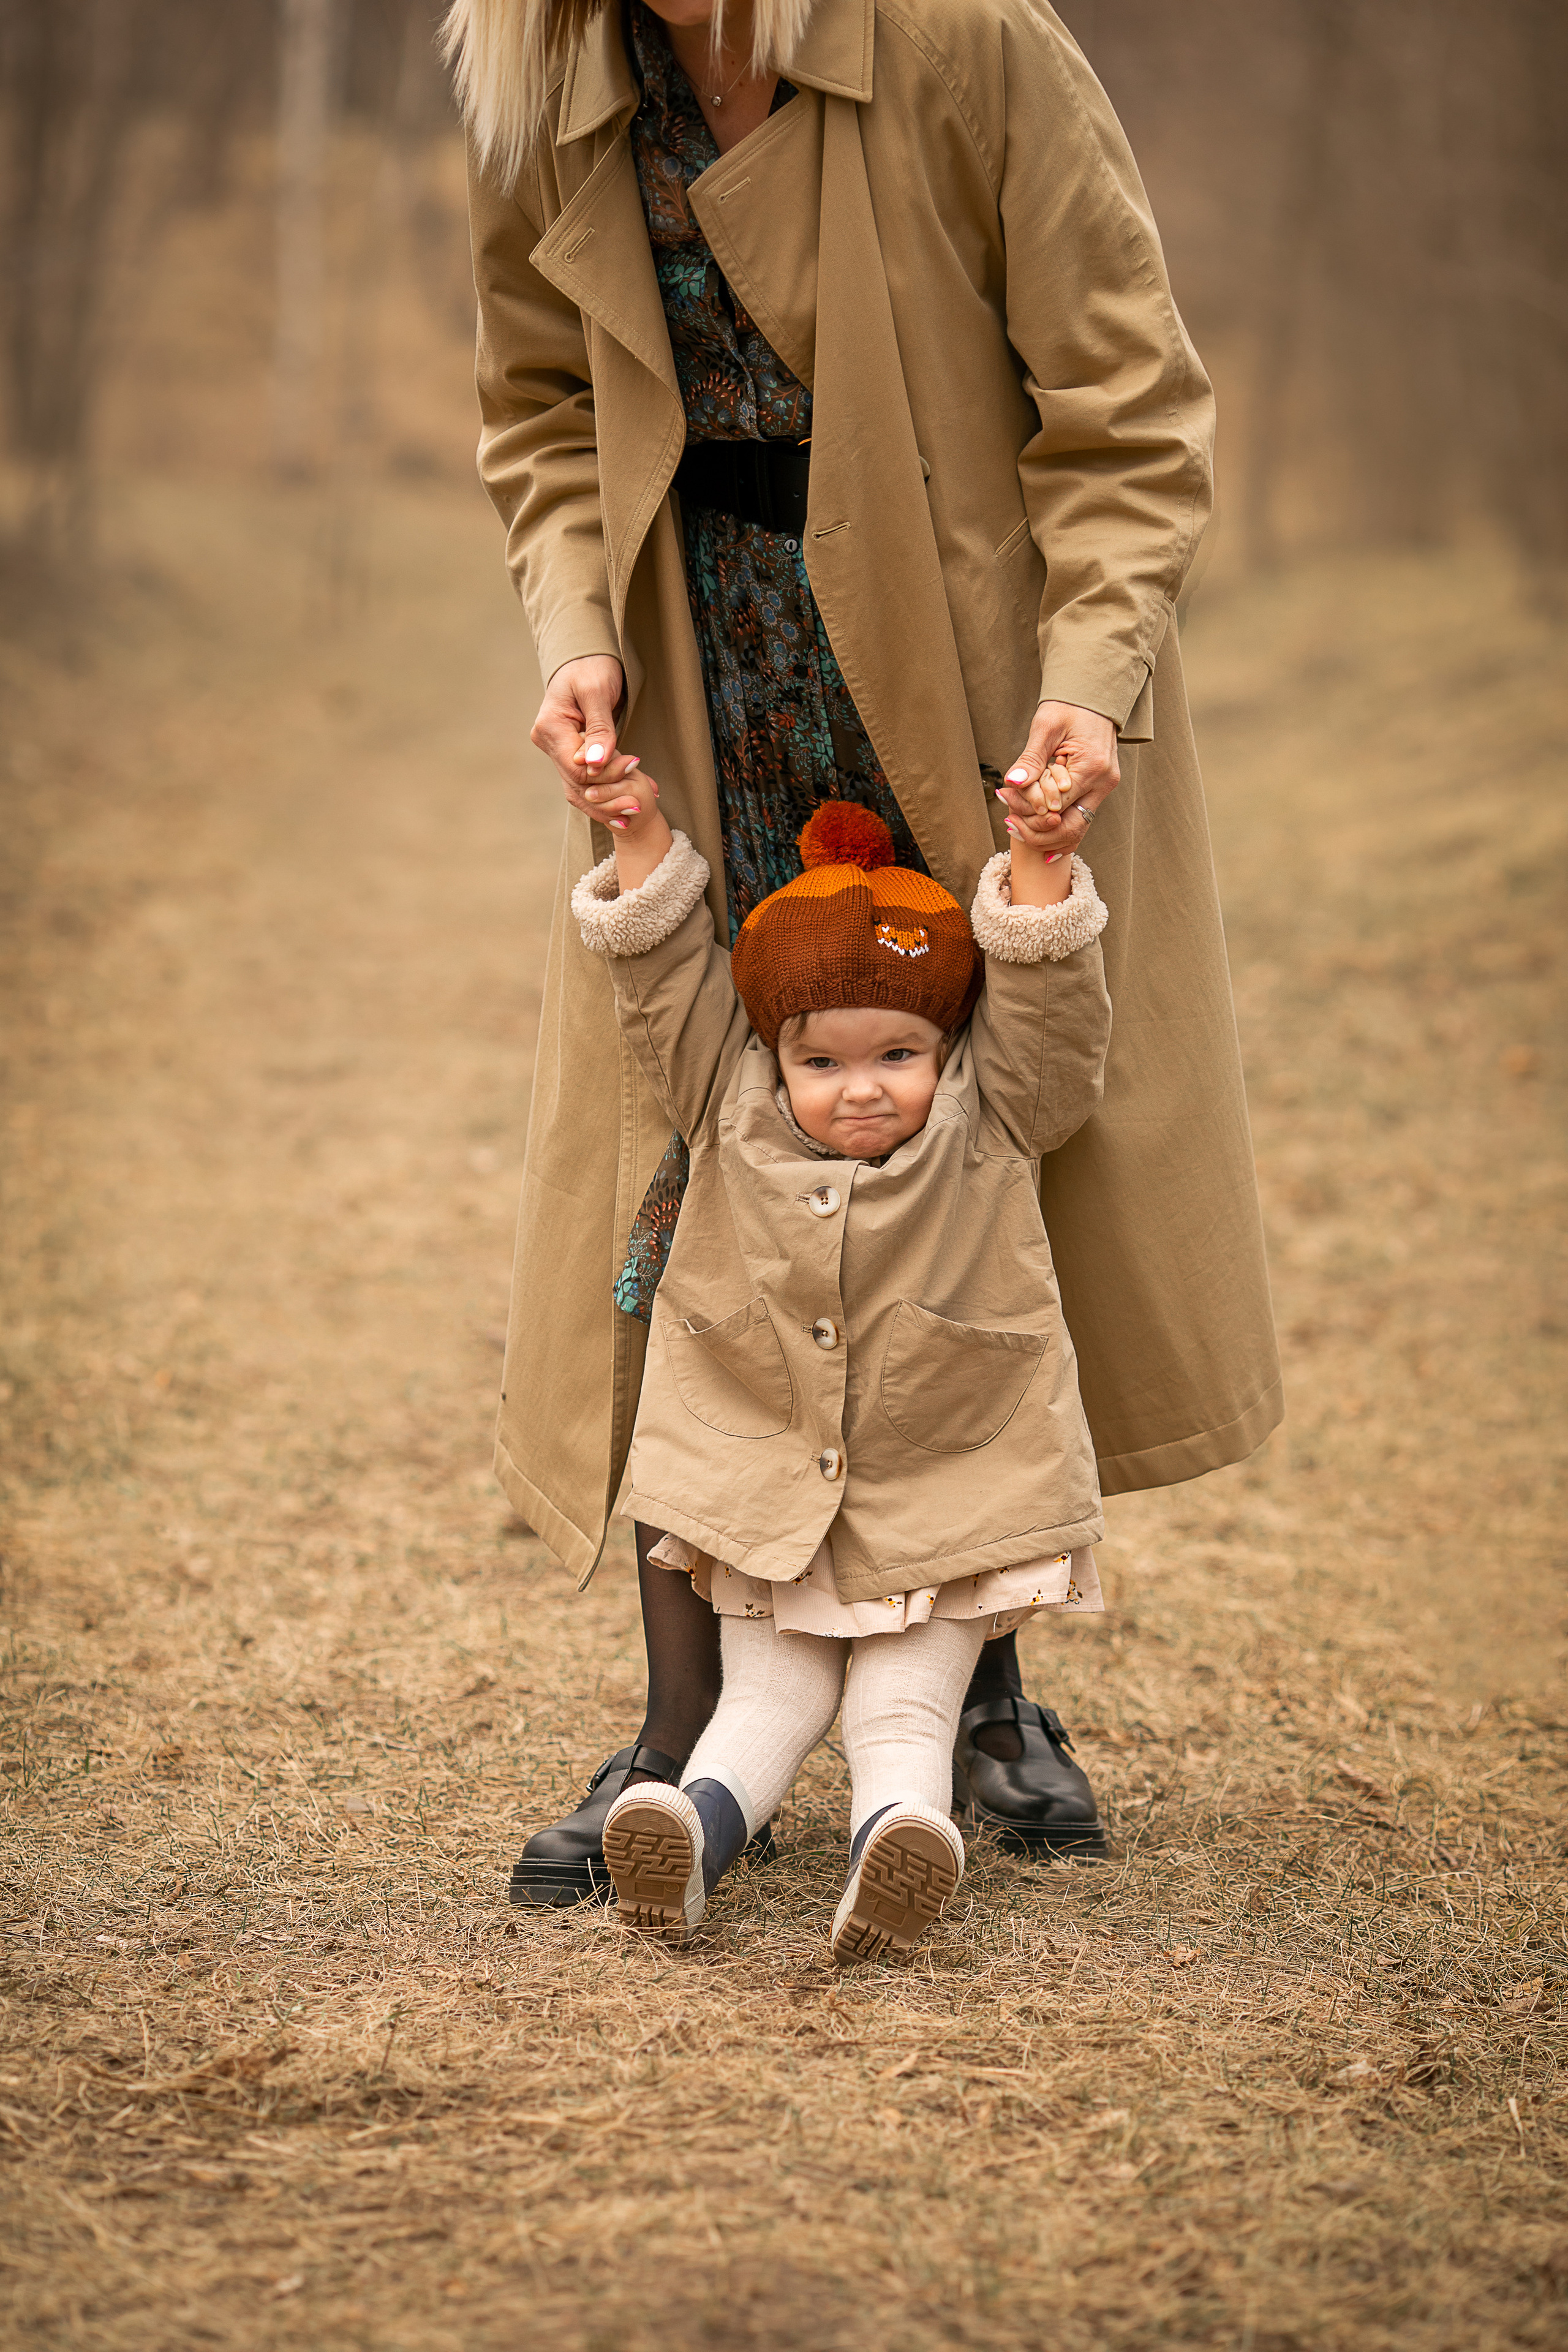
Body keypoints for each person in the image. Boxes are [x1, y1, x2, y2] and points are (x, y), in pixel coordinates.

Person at [448, 0, 1282, 1900]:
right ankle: (681, 1724)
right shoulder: (540, 87)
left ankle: (974, 1691)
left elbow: (1128, 415)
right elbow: (542, 415)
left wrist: (1088, 685)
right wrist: (578, 622)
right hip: (700, 667)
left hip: (961, 675)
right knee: (695, 1142)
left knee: (957, 1153)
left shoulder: (972, 47)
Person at [575, 764, 1111, 1956]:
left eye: (898, 1055)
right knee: (769, 1693)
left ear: (946, 1045)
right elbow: (662, 986)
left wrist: (1036, 866)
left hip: (947, 1489)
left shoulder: (996, 1112)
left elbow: (1052, 1020)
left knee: (900, 1699)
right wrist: (638, 834)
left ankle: (897, 1840)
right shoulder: (726, 1099)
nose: (861, 1088)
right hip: (768, 1490)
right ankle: (688, 1835)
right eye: (821, 1063)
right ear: (775, 1050)